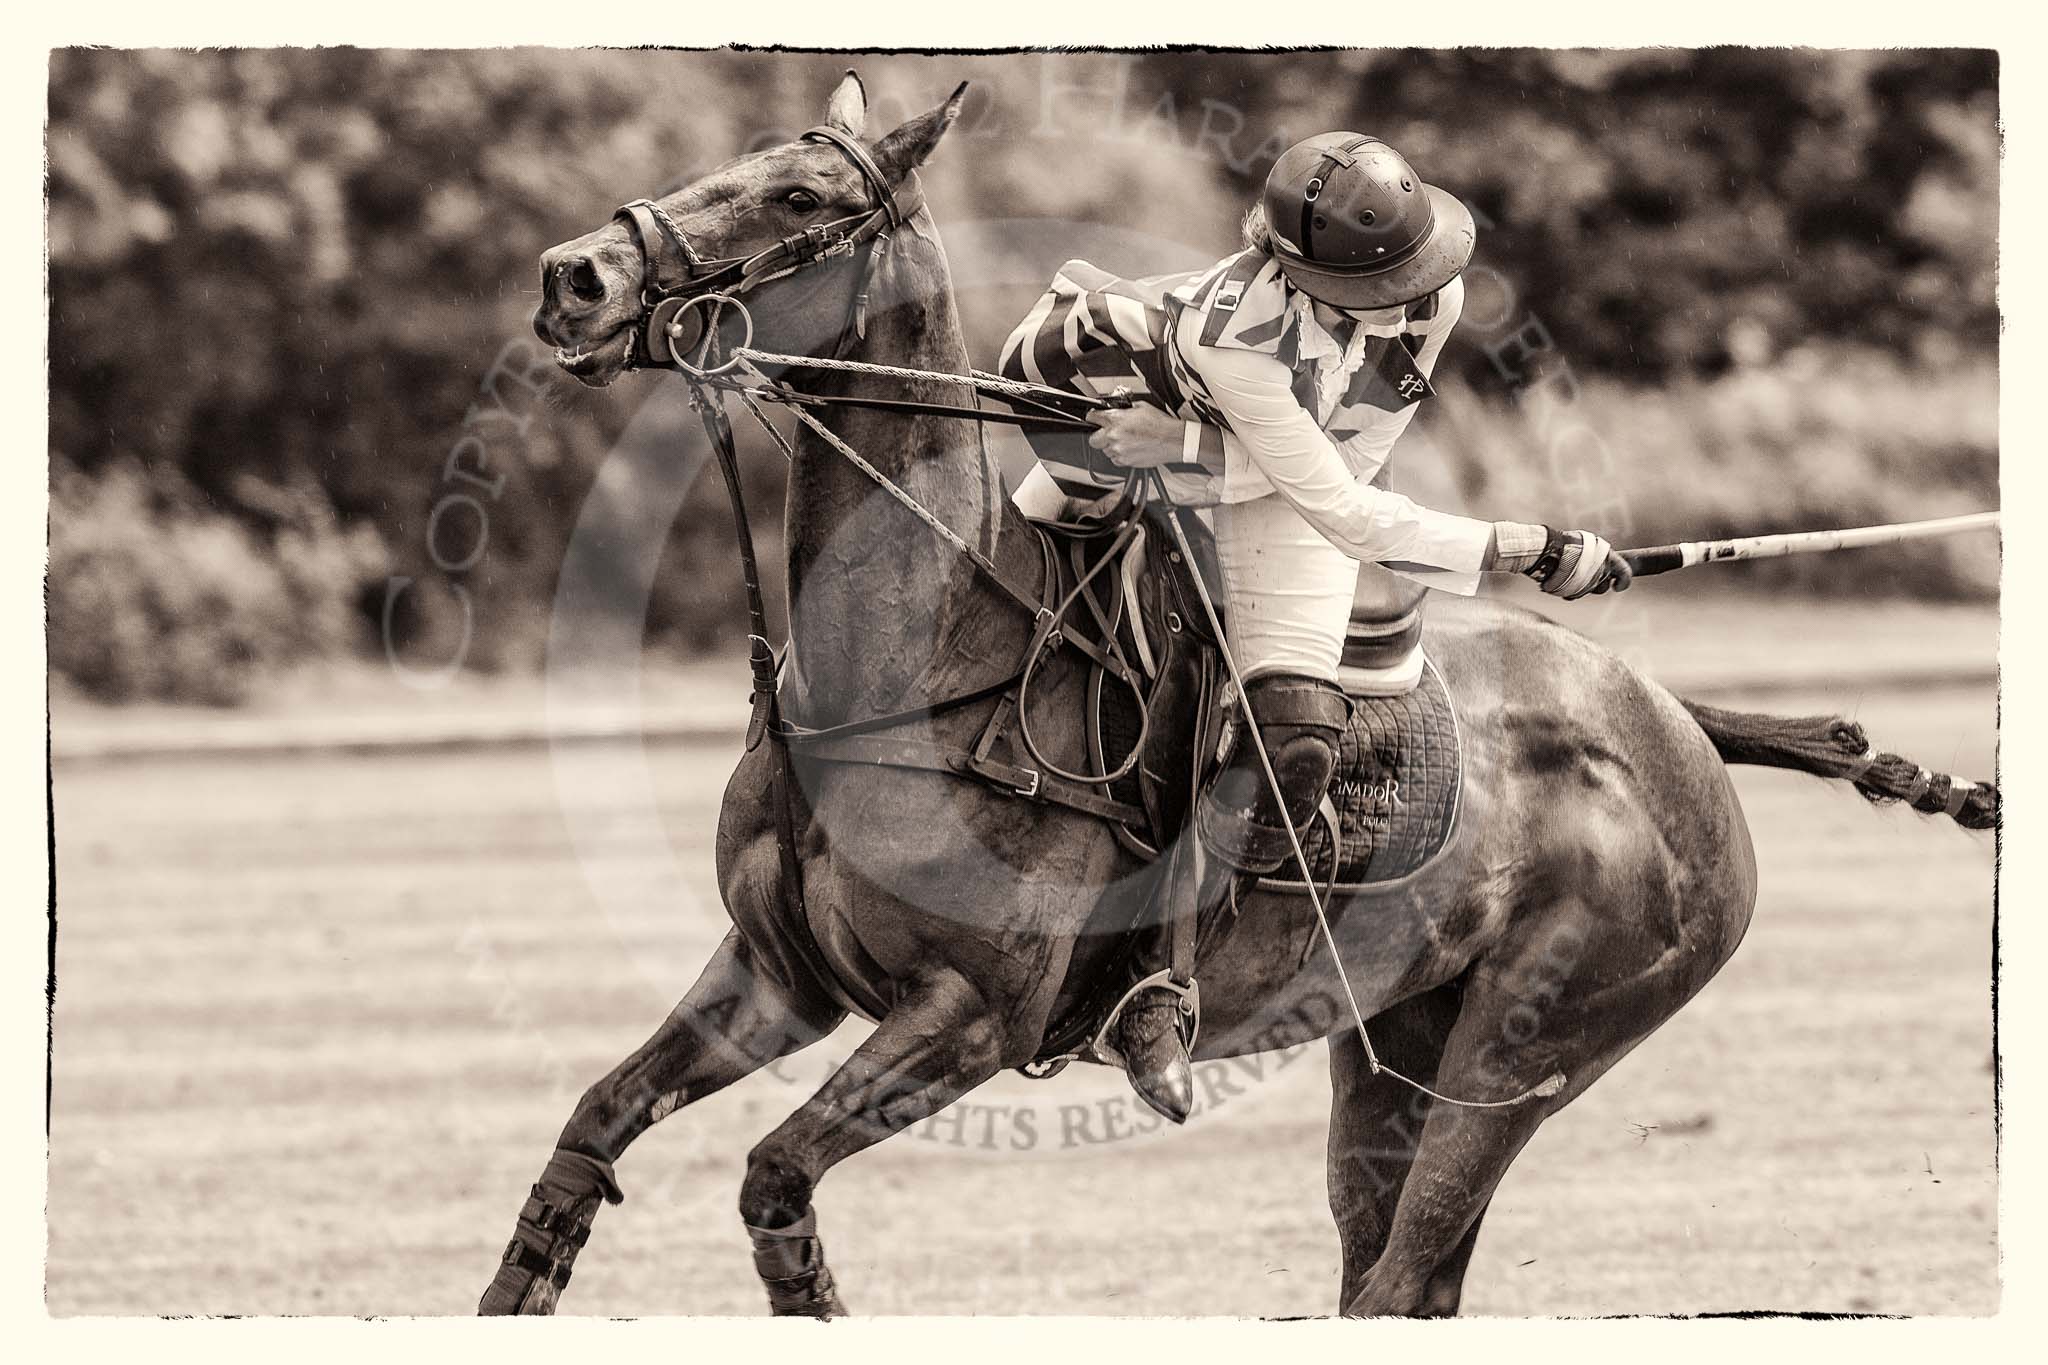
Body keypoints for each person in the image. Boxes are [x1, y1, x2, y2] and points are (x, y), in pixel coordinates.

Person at [1001, 132, 1631, 1123]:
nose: (1406, 299)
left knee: (1294, 734)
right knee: (995, 621)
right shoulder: (1231, 335)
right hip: (1118, 424)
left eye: (1411, 275)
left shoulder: (1431, 296)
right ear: (1300, 272)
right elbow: (1340, 502)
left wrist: (1200, 448)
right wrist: (1527, 546)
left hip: (1272, 482)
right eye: (1377, 287)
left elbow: (1348, 478)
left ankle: (1154, 988)